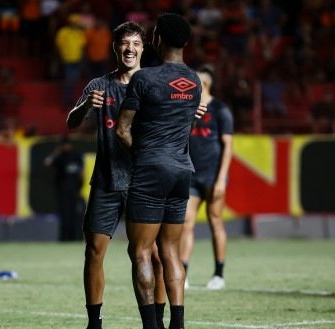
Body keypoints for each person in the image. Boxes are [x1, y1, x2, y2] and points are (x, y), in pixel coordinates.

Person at [66, 22, 168, 329]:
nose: (130, 49)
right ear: (115, 47)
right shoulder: (99, 85)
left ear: (142, 48)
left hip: (142, 182)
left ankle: (156, 322)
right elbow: (71, 122)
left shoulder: (152, 84)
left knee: (152, 255)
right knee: (94, 250)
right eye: (125, 43)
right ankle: (94, 322)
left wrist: (191, 112)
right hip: (107, 180)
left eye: (136, 43)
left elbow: (171, 121)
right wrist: (85, 106)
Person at [116, 13, 201, 329]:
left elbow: (122, 130)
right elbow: (187, 126)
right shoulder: (193, 81)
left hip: (151, 170)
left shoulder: (144, 79)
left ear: (156, 40)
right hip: (182, 172)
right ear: (186, 42)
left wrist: (144, 155)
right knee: (171, 252)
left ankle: (152, 327)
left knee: (139, 251)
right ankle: (177, 325)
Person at [180, 66, 234, 290]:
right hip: (191, 176)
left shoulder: (221, 110)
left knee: (215, 221)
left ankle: (218, 274)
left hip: (212, 176)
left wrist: (221, 179)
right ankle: (182, 273)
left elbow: (228, 147)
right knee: (185, 223)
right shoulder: (186, 109)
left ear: (204, 85)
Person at [44, 135, 85, 241]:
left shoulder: (76, 155)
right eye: (62, 145)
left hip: (75, 191)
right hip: (62, 191)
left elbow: (81, 173)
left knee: (76, 216)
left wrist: (81, 188)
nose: (64, 147)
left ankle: (76, 239)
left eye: (65, 145)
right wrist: (56, 151)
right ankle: (64, 239)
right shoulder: (59, 157)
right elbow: (47, 162)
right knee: (64, 216)